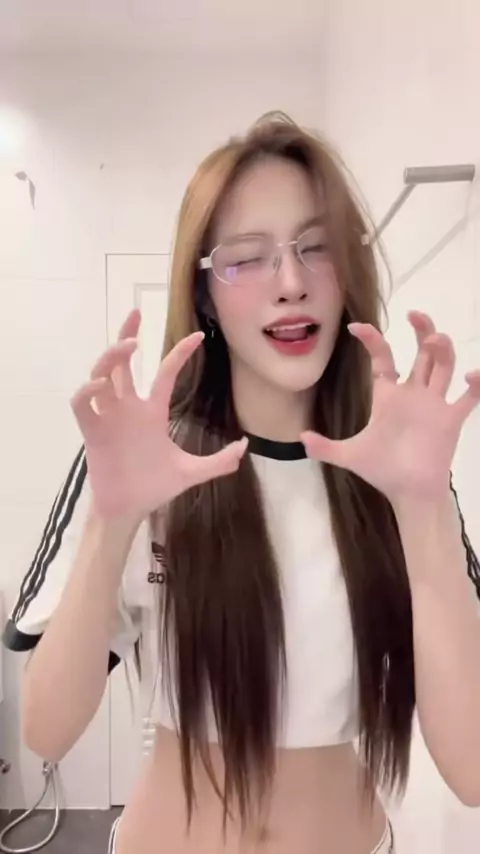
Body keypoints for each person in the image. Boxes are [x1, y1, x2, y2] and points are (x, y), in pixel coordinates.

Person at [4, 112, 480, 854]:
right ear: (204, 295)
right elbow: (46, 730)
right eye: (247, 259)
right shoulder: (140, 461)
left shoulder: (400, 472)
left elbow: (473, 773)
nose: (291, 283)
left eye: (316, 247)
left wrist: (421, 510)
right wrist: (111, 519)